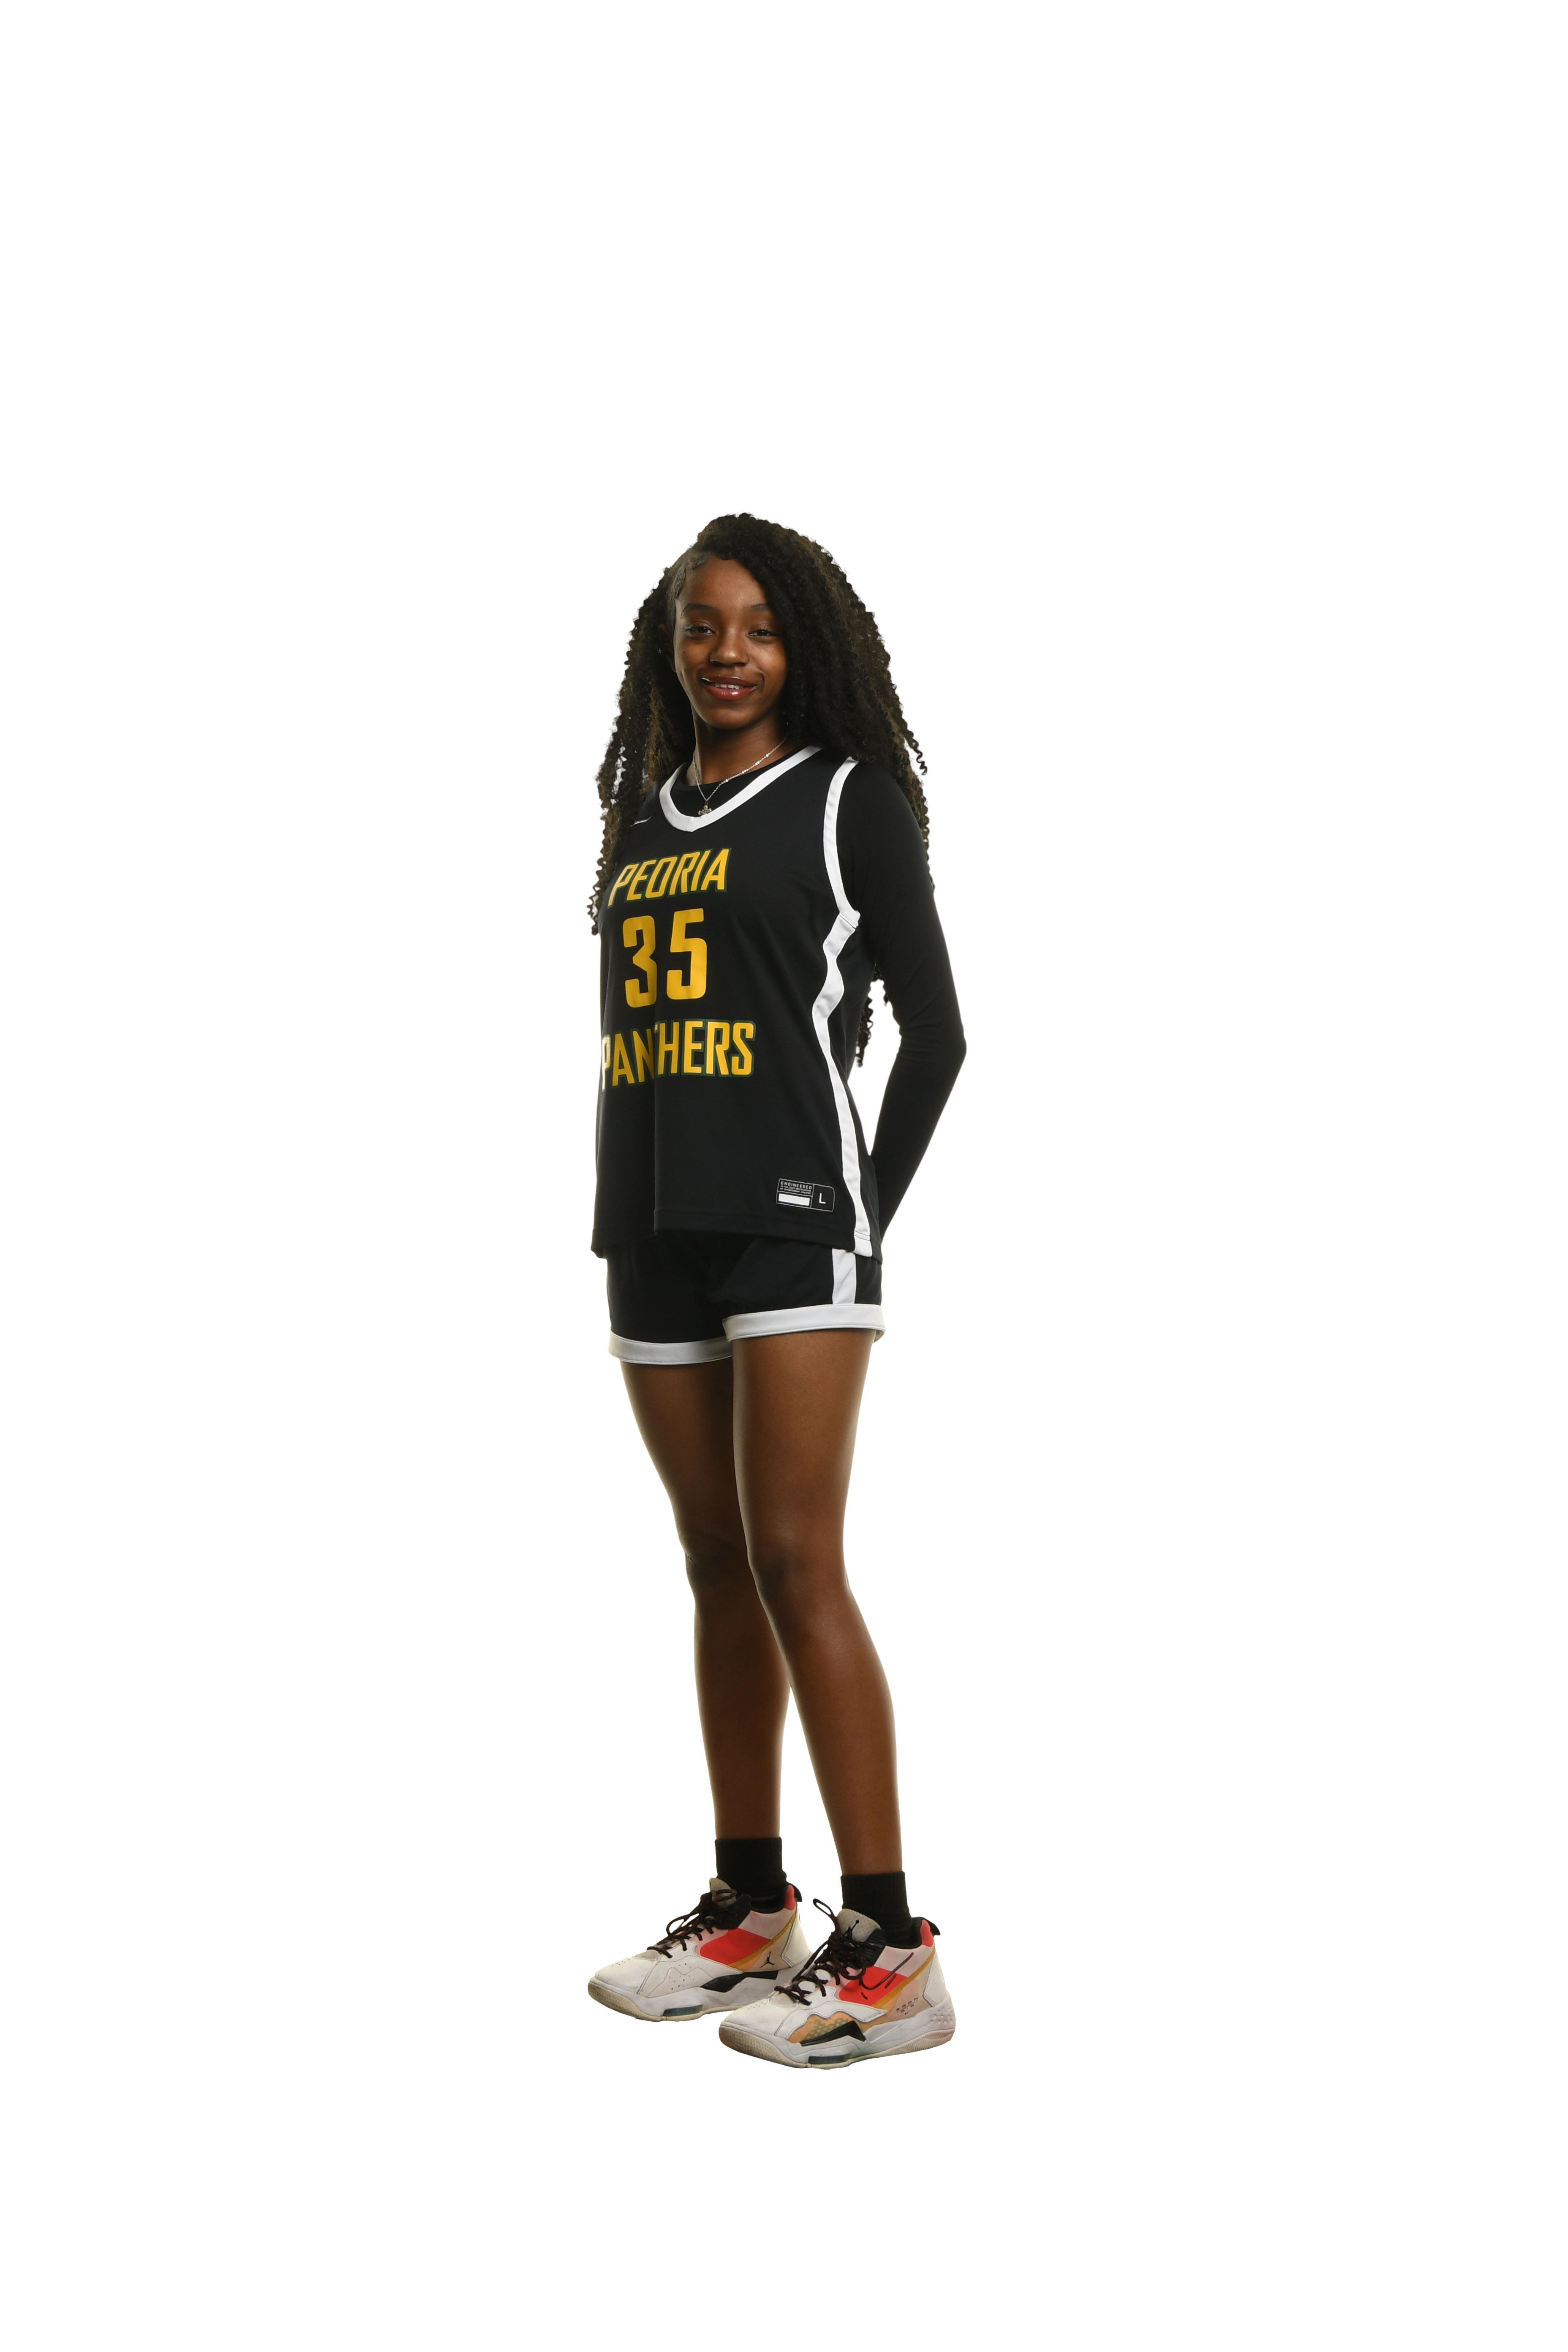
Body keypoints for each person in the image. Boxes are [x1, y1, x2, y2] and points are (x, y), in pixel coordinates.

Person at [584, 514, 967, 2068]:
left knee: (800, 1558)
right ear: (669, 643)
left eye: (756, 626)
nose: (726, 653)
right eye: (701, 625)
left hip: (794, 1228)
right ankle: (751, 1905)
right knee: (715, 1562)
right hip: (652, 1219)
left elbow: (936, 1031)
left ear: (801, 642)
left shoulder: (845, 799)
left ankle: (891, 1946)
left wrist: (858, 1209)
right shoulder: (646, 814)